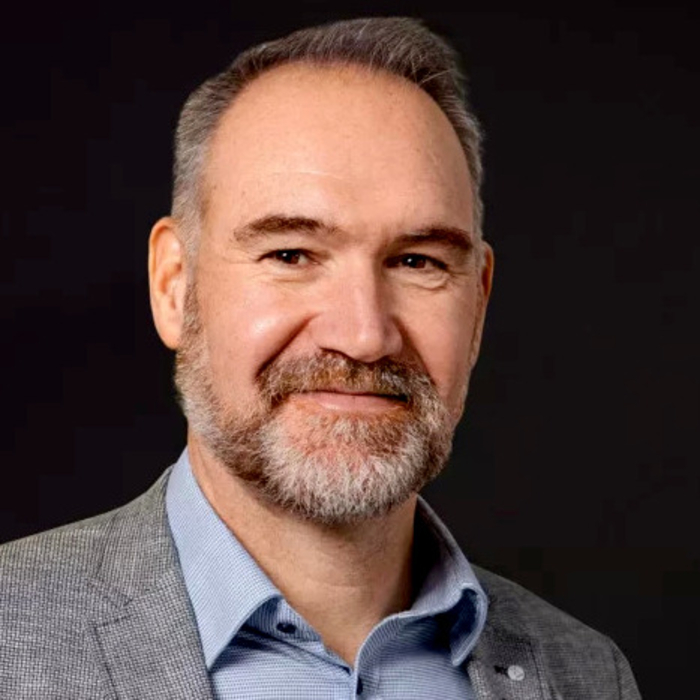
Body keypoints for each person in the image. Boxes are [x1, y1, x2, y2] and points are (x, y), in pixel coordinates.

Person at [0, 17, 640, 700]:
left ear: (477, 305)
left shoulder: (586, 674)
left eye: (418, 261)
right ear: (173, 286)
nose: (363, 335)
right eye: (291, 254)